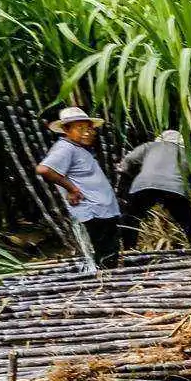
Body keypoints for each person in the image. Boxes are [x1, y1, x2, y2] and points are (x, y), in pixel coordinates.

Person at [35, 106, 125, 269]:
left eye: (89, 128)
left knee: (109, 252)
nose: (87, 132)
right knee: (105, 254)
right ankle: (106, 283)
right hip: (94, 210)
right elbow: (44, 169)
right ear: (66, 130)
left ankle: (108, 281)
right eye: (80, 128)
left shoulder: (78, 149)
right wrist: (72, 189)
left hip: (102, 210)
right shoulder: (65, 148)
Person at [117, 129, 191, 245]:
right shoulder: (186, 153)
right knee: (186, 219)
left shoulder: (150, 146)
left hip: (144, 184)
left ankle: (129, 248)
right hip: (174, 187)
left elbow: (128, 160)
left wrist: (128, 174)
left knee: (132, 217)